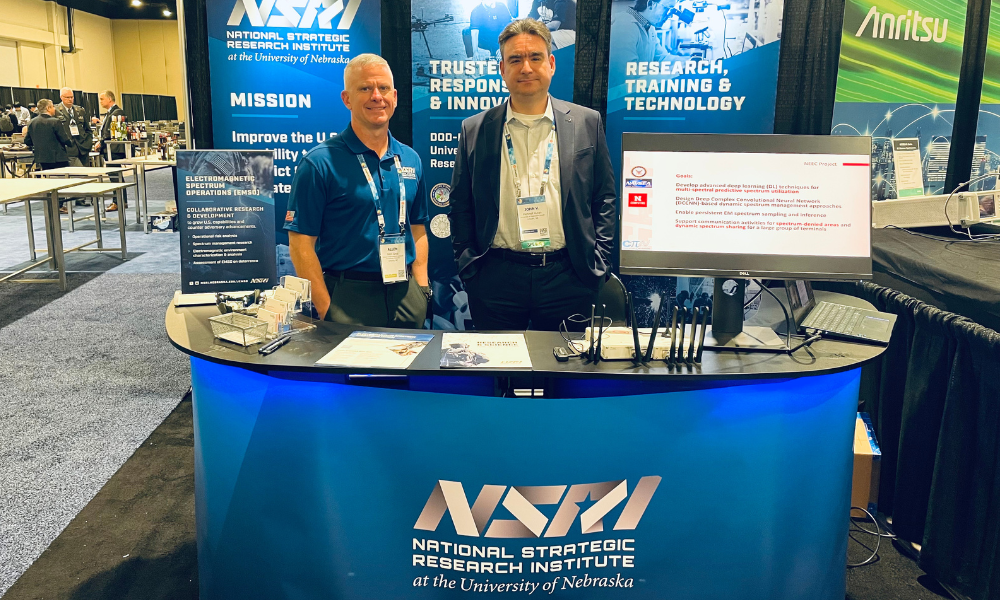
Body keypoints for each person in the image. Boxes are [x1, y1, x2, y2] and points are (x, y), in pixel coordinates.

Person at [448, 18, 617, 331]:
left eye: (535, 57)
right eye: (515, 59)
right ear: (502, 69)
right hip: (496, 276)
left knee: (566, 374)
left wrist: (600, 262)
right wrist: (469, 265)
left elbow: (604, 197)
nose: (526, 67)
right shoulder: (474, 129)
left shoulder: (586, 123)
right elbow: (460, 204)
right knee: (497, 371)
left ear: (551, 64)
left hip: (569, 276)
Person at [284, 54, 431, 328]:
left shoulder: (410, 159)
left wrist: (421, 288)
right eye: (365, 88)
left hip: (406, 294)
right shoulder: (319, 163)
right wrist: (327, 309)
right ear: (347, 99)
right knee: (357, 373)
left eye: (384, 88)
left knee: (408, 371)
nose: (377, 96)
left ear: (395, 96)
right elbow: (300, 244)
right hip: (348, 298)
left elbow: (418, 227)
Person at [25, 99, 73, 213]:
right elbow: (64, 138)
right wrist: (71, 143)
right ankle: (60, 204)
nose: (54, 109)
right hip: (58, 157)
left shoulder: (32, 122)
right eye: (52, 107)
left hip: (42, 157)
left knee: (49, 181)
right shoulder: (55, 121)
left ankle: (52, 204)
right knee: (61, 182)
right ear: (48, 108)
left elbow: (27, 140)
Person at [610, 0, 674, 66]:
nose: (670, 16)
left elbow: (661, 57)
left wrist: (683, 62)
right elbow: (624, 72)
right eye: (668, 9)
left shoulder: (649, 27)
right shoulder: (624, 26)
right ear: (650, 5)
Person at [95, 90, 128, 211]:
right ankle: (120, 201)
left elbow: (113, 133)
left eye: (102, 99)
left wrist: (101, 142)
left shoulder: (117, 112)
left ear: (110, 99)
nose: (100, 102)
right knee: (114, 175)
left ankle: (118, 202)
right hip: (109, 149)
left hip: (113, 149)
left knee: (115, 175)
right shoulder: (110, 112)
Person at [54, 87, 93, 168]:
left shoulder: (79, 110)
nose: (70, 99)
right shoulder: (56, 110)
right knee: (78, 174)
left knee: (87, 173)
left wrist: (88, 143)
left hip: (83, 148)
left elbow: (88, 129)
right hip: (68, 148)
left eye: (72, 97)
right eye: (67, 97)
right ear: (61, 97)